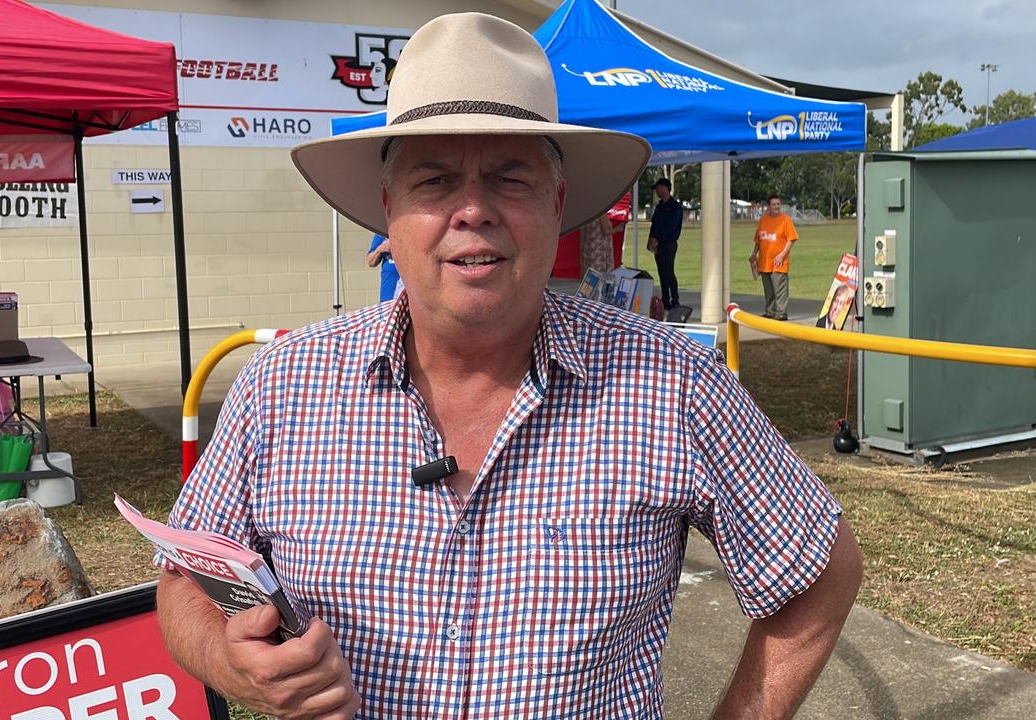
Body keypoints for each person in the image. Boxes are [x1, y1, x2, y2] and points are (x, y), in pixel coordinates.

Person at [156, 13, 861, 720]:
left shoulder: (671, 383)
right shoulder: (282, 387)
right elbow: (184, 579)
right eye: (433, 181)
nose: (473, 211)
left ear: (557, 205)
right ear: (388, 211)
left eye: (509, 178)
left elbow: (819, 571)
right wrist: (230, 662)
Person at [751, 194, 800, 320]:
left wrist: (782, 255)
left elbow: (791, 239)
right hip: (764, 261)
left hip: (779, 261)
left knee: (780, 289)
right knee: (768, 290)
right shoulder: (763, 220)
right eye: (774, 204)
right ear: (769, 206)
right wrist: (754, 254)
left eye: (778, 204)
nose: (776, 206)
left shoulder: (785, 220)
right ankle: (770, 311)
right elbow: (759, 240)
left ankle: (781, 313)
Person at [647, 177, 683, 310]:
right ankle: (665, 300)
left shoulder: (675, 207)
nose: (656, 191)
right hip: (658, 245)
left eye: (658, 188)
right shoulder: (660, 207)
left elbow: (671, 227)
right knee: (662, 272)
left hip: (668, 244)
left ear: (664, 188)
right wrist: (652, 239)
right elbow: (654, 224)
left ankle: (675, 299)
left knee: (669, 271)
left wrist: (658, 238)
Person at [365, 234, 403, 302]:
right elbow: (370, 262)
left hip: (408, 294)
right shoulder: (382, 232)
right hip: (388, 294)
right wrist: (381, 248)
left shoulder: (411, 230)